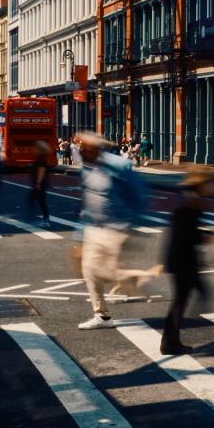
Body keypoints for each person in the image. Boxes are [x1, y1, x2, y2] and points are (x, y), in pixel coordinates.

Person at [75, 133, 152, 329]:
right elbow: (88, 200)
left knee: (101, 270)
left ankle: (137, 278)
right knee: (88, 271)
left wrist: (131, 223)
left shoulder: (119, 166)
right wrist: (81, 233)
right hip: (94, 227)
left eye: (84, 147)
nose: (80, 151)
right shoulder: (87, 167)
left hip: (115, 227)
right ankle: (102, 315)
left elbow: (140, 195)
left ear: (95, 149)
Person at [160, 170, 214, 355]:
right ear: (202, 183)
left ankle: (172, 340)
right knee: (182, 300)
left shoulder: (191, 197)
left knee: (182, 300)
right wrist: (203, 236)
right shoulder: (190, 200)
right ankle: (171, 341)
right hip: (182, 260)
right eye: (210, 183)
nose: (213, 187)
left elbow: (186, 229)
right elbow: (184, 232)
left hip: (181, 258)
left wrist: (202, 235)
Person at [29, 140, 52, 227]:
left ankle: (45, 221)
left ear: (40, 149)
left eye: (36, 147)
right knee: (35, 200)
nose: (34, 149)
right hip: (40, 183)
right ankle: (40, 218)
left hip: (40, 184)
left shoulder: (41, 158)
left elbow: (41, 171)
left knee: (41, 202)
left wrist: (38, 183)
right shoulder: (41, 157)